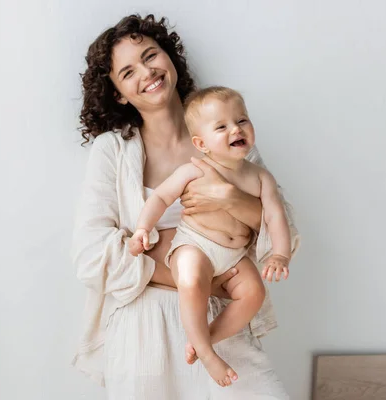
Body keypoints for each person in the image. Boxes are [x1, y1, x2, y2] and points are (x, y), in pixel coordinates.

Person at [71, 14, 300, 399]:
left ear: (170, 58)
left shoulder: (227, 134)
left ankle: (204, 343)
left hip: (222, 321)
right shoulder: (112, 151)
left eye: (150, 55)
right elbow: (91, 255)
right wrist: (201, 273)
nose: (146, 72)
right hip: (144, 326)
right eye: (128, 72)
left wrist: (229, 198)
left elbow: (284, 233)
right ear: (118, 93)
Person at [129, 86, 292, 387]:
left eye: (242, 120)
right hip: (195, 244)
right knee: (191, 281)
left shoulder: (259, 177)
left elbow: (275, 217)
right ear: (201, 143)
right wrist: (142, 228)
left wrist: (280, 254)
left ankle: (205, 339)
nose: (236, 129)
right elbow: (161, 198)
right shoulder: (194, 170)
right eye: (222, 126)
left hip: (234, 256)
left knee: (254, 293)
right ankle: (206, 353)